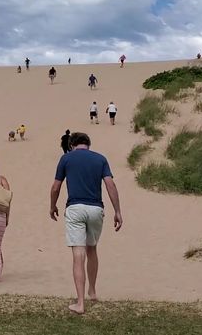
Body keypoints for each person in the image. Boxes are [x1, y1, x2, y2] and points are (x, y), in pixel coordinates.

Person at [49, 132, 123, 314]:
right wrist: (118, 211)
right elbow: (110, 185)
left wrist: (52, 206)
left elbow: (56, 187)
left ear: (72, 144)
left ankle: (80, 303)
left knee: (78, 255)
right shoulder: (100, 159)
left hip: (75, 208)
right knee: (92, 250)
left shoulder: (66, 158)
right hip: (96, 209)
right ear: (88, 144)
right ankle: (93, 291)